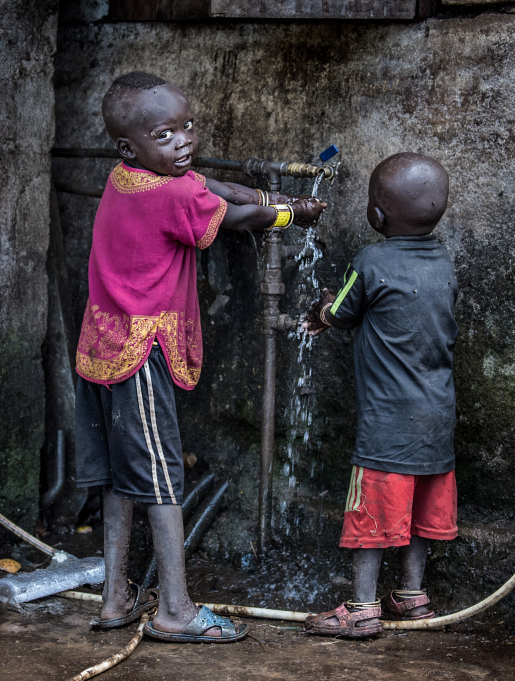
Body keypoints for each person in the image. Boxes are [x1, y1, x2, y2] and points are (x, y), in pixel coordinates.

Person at [75, 71, 324, 643]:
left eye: (187, 126)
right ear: (130, 146)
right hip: (142, 354)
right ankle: (175, 611)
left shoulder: (125, 178)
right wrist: (288, 213)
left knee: (118, 477)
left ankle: (115, 598)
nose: (184, 140)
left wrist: (268, 197)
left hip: (101, 345)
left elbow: (210, 186)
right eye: (166, 134)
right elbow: (229, 213)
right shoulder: (173, 194)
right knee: (163, 480)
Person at [301, 152, 457, 638]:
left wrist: (322, 310)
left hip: (387, 423)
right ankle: (412, 597)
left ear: (375, 214)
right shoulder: (444, 260)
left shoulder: (371, 261)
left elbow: (343, 312)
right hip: (438, 417)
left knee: (370, 514)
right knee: (417, 514)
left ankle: (362, 607)